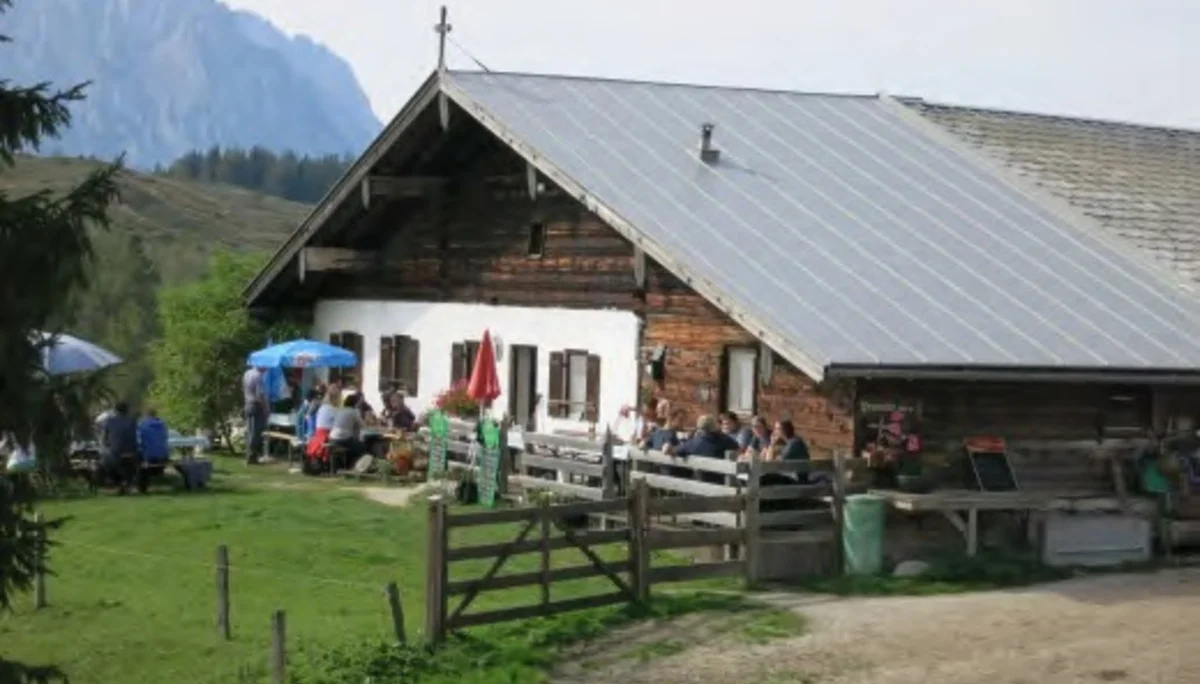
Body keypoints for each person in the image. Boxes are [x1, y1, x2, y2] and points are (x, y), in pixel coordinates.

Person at [100, 402, 139, 494]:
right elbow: (135, 435)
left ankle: (114, 482)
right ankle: (127, 482)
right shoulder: (132, 420)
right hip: (131, 451)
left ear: (115, 410)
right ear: (127, 411)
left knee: (105, 460)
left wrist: (106, 445)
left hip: (115, 452)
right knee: (132, 462)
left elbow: (103, 438)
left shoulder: (109, 421)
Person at [328, 392, 366, 469]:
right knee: (361, 447)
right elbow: (363, 425)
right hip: (344, 438)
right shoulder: (354, 411)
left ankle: (344, 465)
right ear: (355, 403)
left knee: (352, 444)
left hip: (332, 437)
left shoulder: (340, 410)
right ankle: (354, 466)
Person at [676, 414, 740, 459]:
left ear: (699, 428)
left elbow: (677, 451)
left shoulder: (693, 443)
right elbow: (737, 449)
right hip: (720, 477)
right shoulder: (725, 440)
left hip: (698, 477)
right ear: (715, 426)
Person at [242, 365, 269, 464]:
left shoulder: (247, 373)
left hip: (247, 403)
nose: (266, 369)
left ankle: (249, 453)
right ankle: (252, 456)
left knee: (250, 430)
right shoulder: (258, 376)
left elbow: (244, 388)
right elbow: (260, 395)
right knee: (255, 432)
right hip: (255, 405)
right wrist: (265, 408)